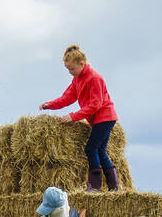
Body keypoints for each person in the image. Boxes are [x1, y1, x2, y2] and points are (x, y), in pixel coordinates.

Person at [38, 45, 121, 192]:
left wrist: (73, 116)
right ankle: (114, 187)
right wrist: (49, 105)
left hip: (105, 117)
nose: (70, 72)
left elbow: (95, 105)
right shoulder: (77, 79)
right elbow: (67, 98)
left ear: (81, 64)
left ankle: (94, 186)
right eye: (68, 69)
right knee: (100, 150)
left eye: (72, 69)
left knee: (91, 148)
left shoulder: (95, 78)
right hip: (98, 119)